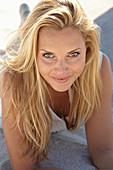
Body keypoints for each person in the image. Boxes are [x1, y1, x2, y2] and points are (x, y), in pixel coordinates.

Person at [0, 0, 113, 169]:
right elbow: (25, 165)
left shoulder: (98, 67)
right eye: (48, 55)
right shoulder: (12, 78)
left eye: (73, 54)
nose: (61, 70)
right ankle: (25, 19)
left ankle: (28, 21)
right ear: (34, 55)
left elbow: (103, 149)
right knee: (16, 44)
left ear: (88, 48)